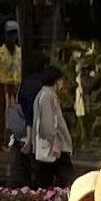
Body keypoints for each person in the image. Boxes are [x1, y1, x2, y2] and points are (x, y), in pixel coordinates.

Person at [26, 58, 78, 187]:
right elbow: (49, 122)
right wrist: (54, 141)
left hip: (48, 147)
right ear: (57, 81)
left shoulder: (43, 94)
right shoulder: (49, 96)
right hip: (55, 147)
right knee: (66, 178)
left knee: (45, 178)